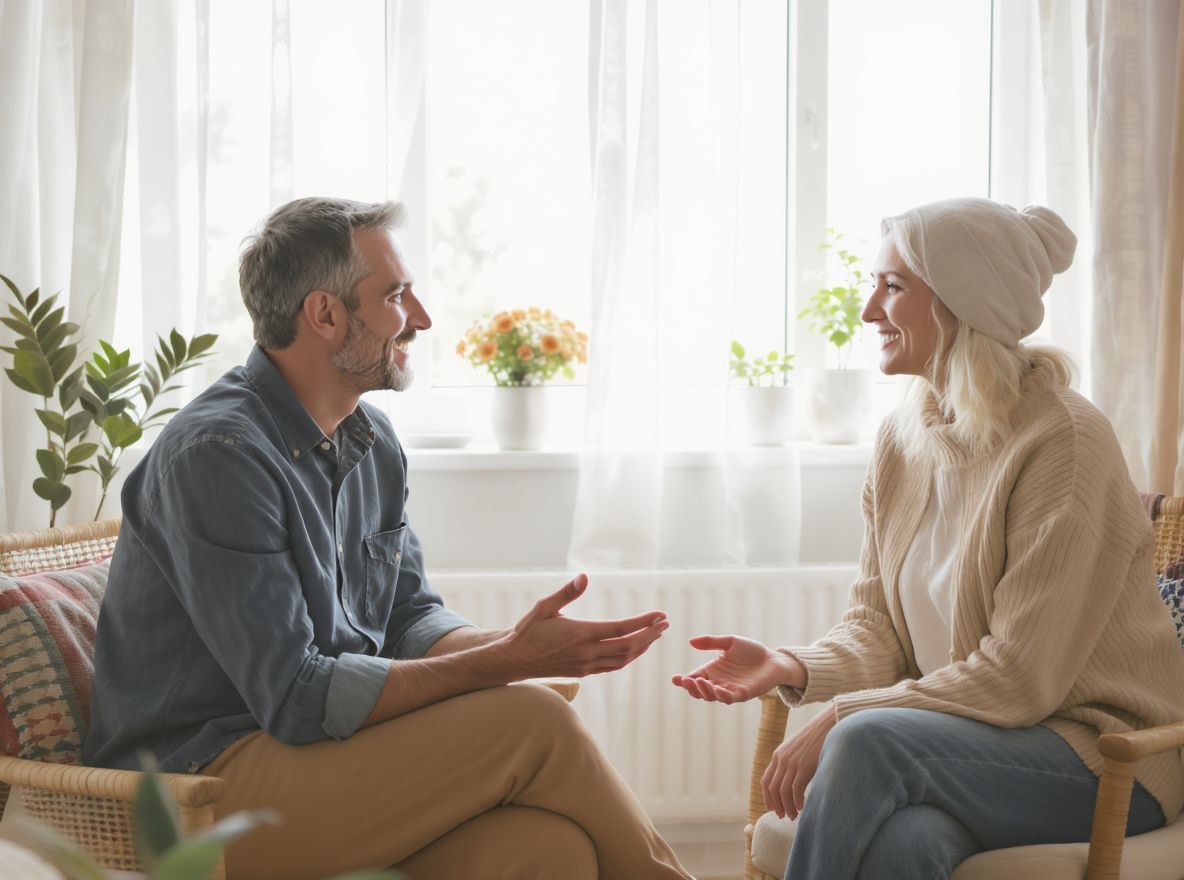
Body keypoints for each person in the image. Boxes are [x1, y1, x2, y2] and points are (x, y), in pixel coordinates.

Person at [85, 197, 694, 880]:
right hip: (193, 789)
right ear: (325, 315)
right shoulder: (218, 455)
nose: (423, 318)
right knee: (536, 722)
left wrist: (511, 643)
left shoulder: (370, 442)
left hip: (315, 760)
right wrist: (503, 666)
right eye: (398, 296)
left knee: (552, 852)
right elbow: (295, 696)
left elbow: (408, 617)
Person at [672, 197, 1184, 879]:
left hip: (1101, 755)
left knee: (867, 742)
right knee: (908, 842)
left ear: (961, 302)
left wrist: (841, 717)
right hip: (976, 749)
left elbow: (1019, 679)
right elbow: (878, 631)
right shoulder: (900, 441)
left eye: (893, 286)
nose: (868, 312)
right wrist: (791, 667)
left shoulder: (1064, 441)